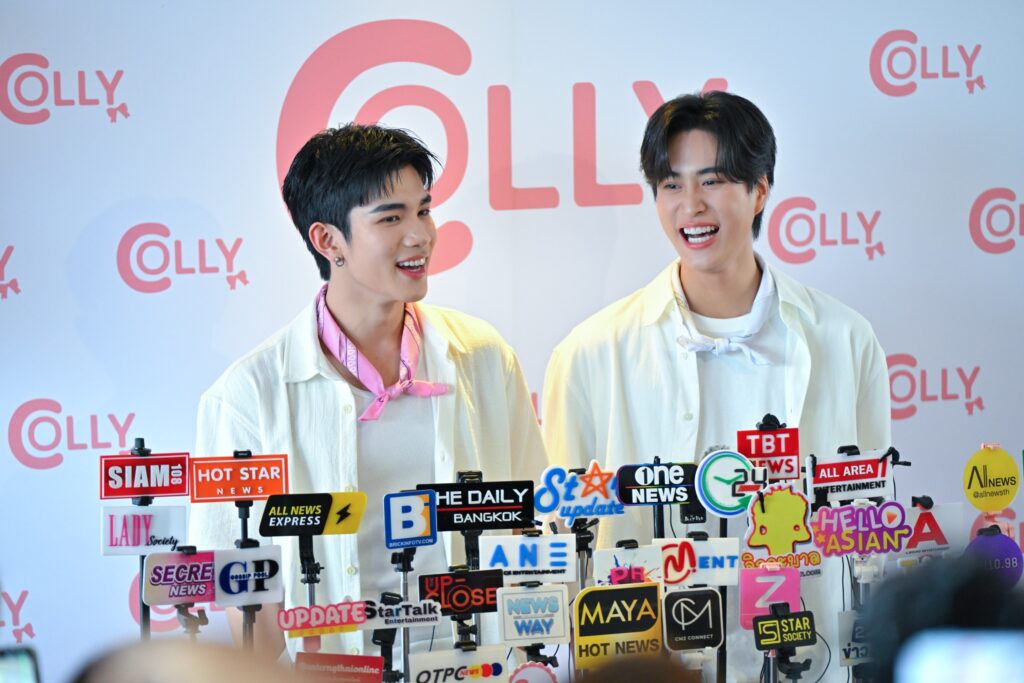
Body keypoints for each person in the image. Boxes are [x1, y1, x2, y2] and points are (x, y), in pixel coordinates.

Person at [542, 91, 891, 681]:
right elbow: (563, 539)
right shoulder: (591, 353)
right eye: (671, 185)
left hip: (811, 651)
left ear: (760, 189)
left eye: (713, 180)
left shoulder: (844, 338)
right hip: (648, 661)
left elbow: (870, 519)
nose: (691, 206)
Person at [189, 124, 547, 659]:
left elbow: (532, 523)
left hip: (480, 666)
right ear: (328, 240)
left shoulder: (483, 356)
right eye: (391, 218)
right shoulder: (246, 396)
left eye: (424, 210)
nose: (420, 236)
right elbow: (243, 595)